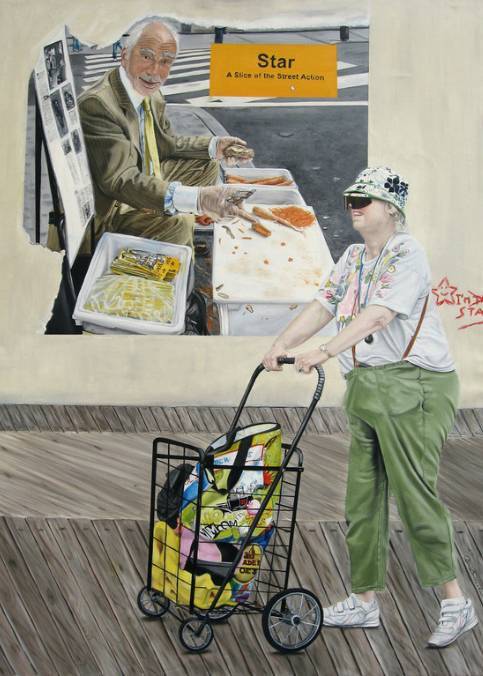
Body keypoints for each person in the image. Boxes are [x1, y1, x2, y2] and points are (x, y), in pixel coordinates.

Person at [263, 166, 478, 647]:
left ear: (392, 209)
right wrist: (280, 345)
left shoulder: (407, 253)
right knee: (361, 501)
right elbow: (324, 304)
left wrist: (323, 351)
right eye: (350, 200)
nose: (353, 207)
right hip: (365, 386)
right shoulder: (354, 256)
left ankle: (455, 602)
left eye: (363, 200)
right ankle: (363, 601)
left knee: (415, 495)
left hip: (413, 386)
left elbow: (378, 315)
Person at [78, 19, 252, 252]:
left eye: (165, 61)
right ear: (124, 56)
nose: (154, 71)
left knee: (207, 165)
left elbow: (166, 144)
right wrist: (197, 198)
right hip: (115, 207)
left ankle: (183, 233)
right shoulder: (98, 105)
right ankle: (177, 244)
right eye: (146, 56)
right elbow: (120, 181)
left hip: (144, 175)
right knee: (178, 225)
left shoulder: (149, 91)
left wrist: (214, 146)